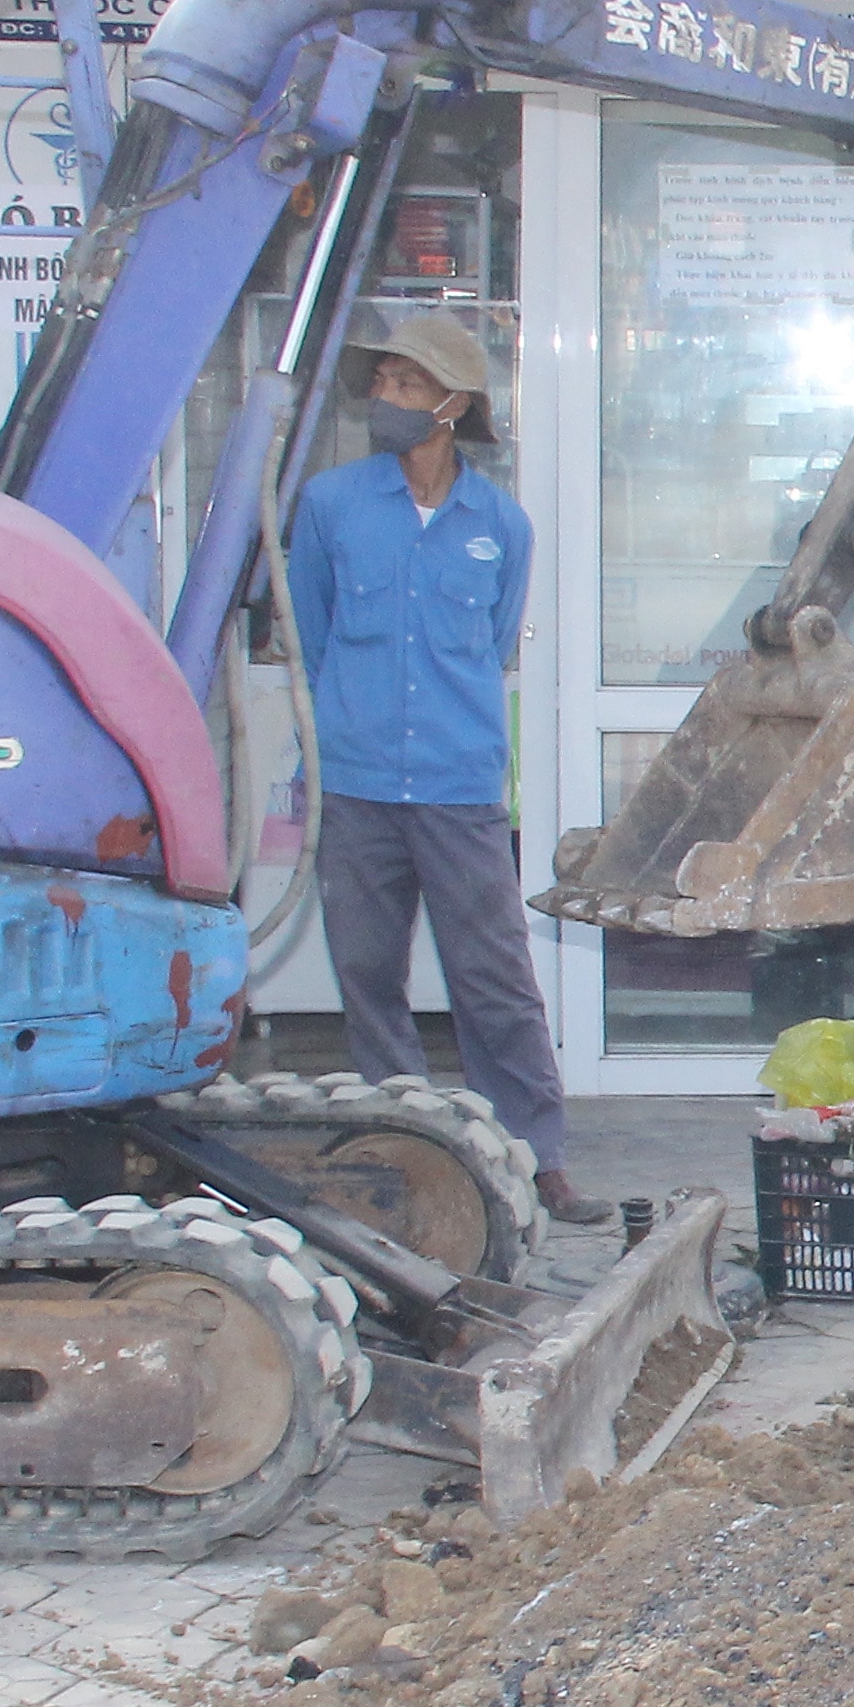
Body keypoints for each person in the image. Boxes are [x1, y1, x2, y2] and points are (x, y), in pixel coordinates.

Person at [285, 311, 587, 1222]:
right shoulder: (331, 506)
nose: (387, 399)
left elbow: (491, 645)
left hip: (458, 786)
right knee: (369, 973)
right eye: (382, 382)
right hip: (359, 782)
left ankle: (539, 1157)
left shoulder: (500, 525)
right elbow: (312, 633)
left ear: (454, 406)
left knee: (493, 977)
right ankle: (410, 1150)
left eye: (406, 385)